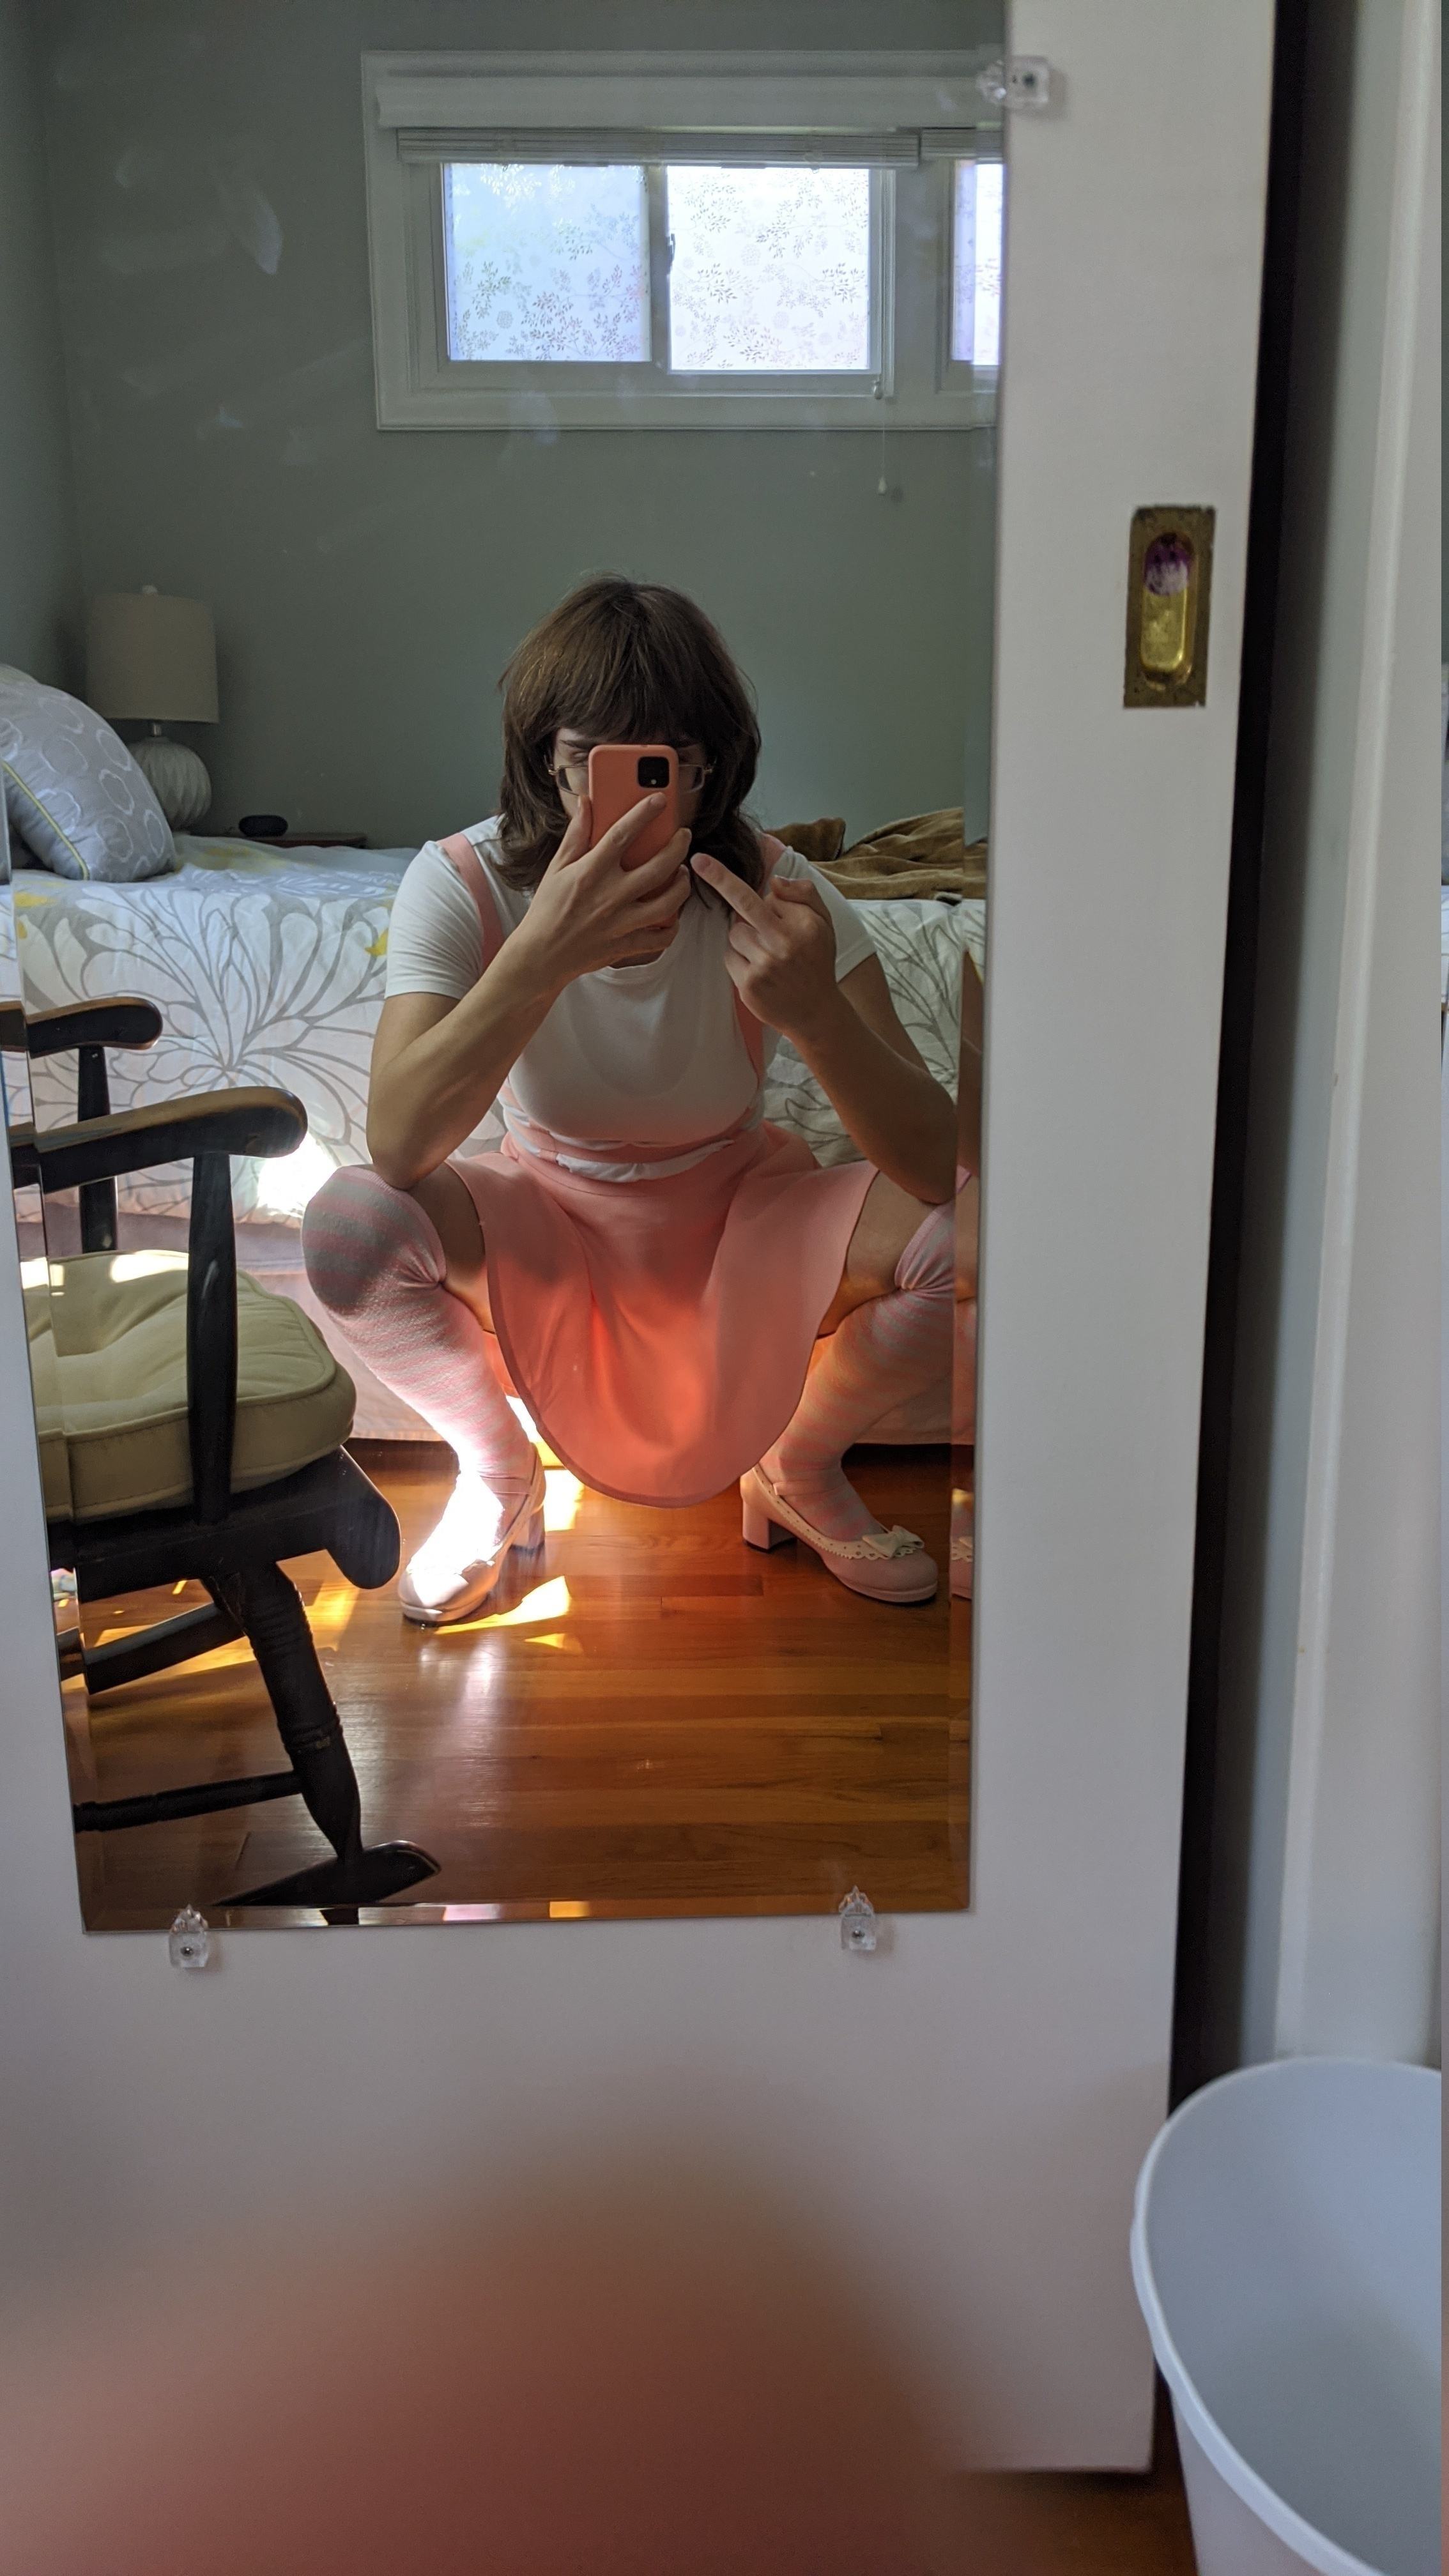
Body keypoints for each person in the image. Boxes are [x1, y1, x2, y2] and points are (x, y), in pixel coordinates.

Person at [303, 578, 974, 1624]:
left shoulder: (779, 890)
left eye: (673, 765)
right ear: (549, 759)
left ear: (712, 768)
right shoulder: (464, 880)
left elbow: (937, 1164)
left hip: (739, 1213)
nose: (640, 798)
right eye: (598, 762)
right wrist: (540, 957)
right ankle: (500, 1475)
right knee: (349, 1228)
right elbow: (397, 1147)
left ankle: (798, 1468)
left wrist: (816, 1017)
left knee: (977, 1230)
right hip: (549, 1211)